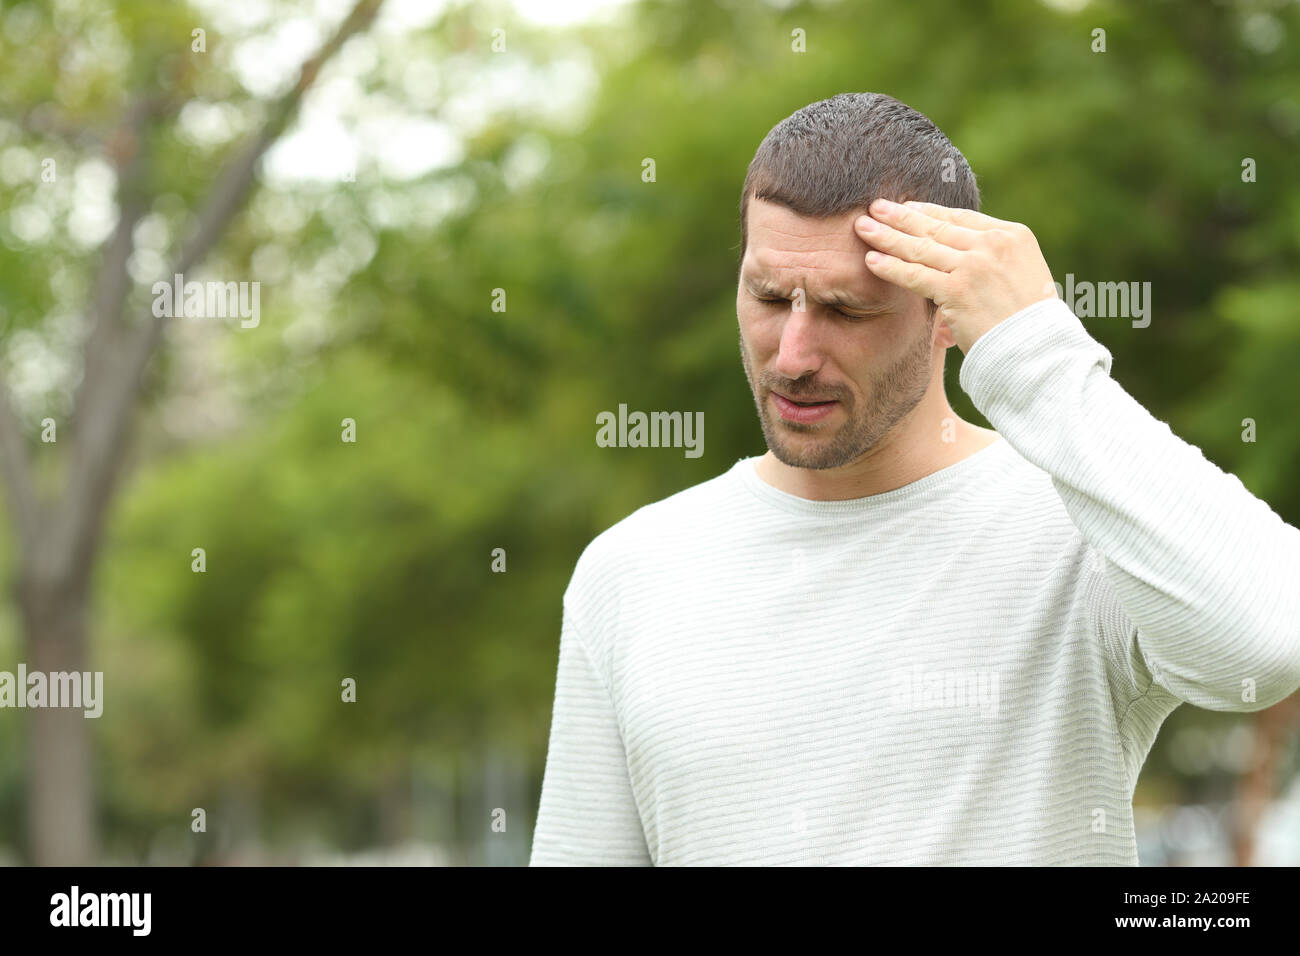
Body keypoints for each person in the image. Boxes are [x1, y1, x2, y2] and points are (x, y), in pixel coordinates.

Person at [528, 92, 1300, 865]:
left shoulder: (1080, 533)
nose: (792, 355)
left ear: (946, 311)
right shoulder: (629, 572)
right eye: (768, 297)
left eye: (846, 310)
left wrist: (1035, 350)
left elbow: (1270, 642)